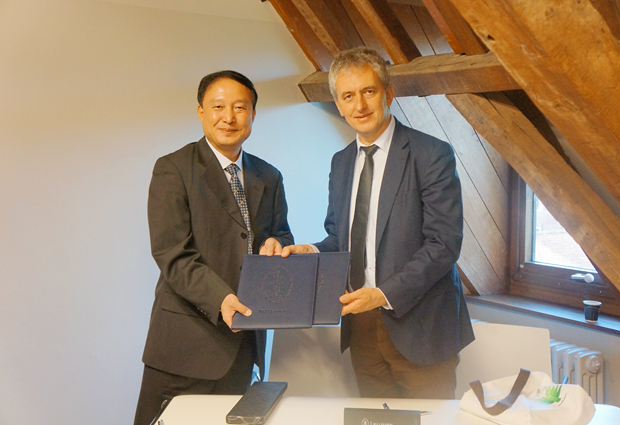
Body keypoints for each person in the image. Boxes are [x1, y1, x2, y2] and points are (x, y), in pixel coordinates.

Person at [282, 47, 474, 399]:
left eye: (368, 91)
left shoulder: (431, 154)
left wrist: (383, 295)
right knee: (375, 420)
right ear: (338, 104)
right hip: (361, 326)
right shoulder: (341, 162)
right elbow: (340, 238)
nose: (360, 105)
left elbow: (444, 244)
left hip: (421, 327)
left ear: (388, 94)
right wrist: (310, 251)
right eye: (348, 96)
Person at [134, 70, 293, 425]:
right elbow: (172, 255)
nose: (229, 117)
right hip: (184, 347)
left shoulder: (269, 176)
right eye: (218, 106)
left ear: (253, 114)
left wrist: (277, 244)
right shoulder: (173, 169)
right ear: (201, 112)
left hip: (244, 344)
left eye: (240, 107)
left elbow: (282, 235)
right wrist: (221, 300)